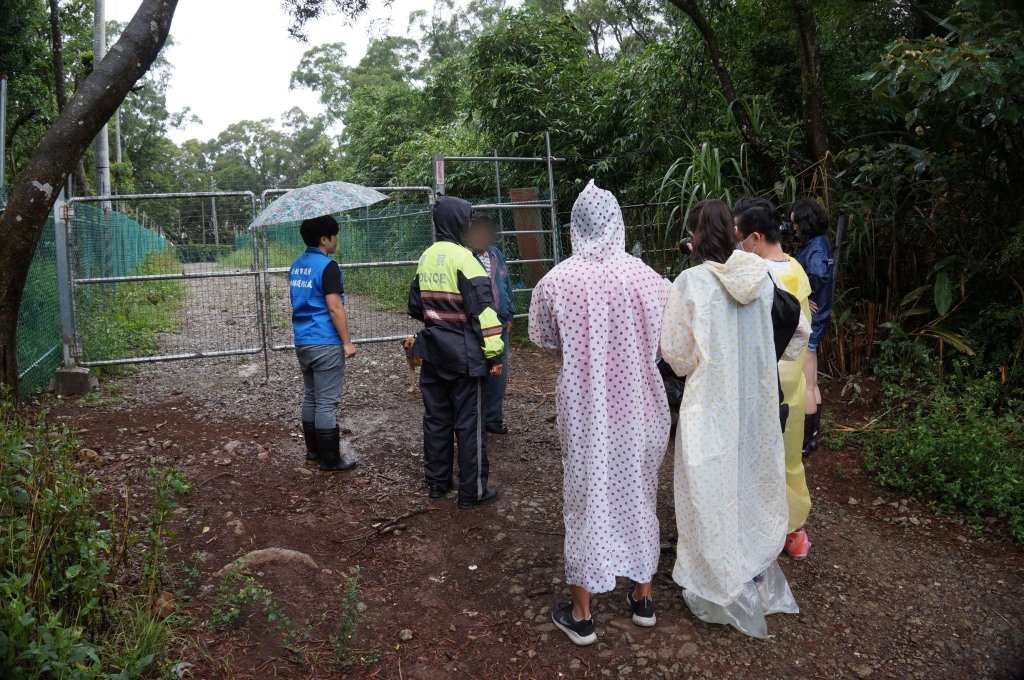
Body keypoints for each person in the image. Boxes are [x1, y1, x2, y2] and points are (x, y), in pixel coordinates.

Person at [529, 181, 671, 647]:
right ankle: (643, 599)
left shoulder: (556, 281)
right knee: (638, 492)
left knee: (587, 498)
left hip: (587, 409)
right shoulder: (650, 279)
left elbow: (546, 341)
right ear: (617, 222)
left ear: (576, 226)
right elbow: (667, 343)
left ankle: (582, 613)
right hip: (642, 409)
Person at [661, 199, 807, 639]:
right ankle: (751, 573)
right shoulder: (760, 276)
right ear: (736, 234)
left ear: (696, 235)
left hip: (711, 405)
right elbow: (797, 329)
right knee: (750, 485)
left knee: (708, 491)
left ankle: (715, 586)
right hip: (755, 406)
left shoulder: (691, 282)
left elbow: (678, 356)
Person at [408, 195, 505, 510]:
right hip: (464, 357)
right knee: (469, 424)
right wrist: (494, 355)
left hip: (433, 352)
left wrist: (438, 317)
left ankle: (437, 484)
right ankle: (472, 491)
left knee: (436, 420)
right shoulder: (465, 259)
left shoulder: (426, 257)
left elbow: (414, 305)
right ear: (459, 223)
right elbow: (484, 313)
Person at [735, 199, 814, 560]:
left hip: (765, 378)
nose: (735, 244)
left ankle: (759, 533)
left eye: (738, 236)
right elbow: (804, 330)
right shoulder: (796, 267)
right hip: (792, 377)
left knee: (758, 457)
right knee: (789, 456)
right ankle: (794, 531)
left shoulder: (758, 274)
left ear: (754, 237)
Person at [290, 214, 358, 472]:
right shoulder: (327, 266)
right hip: (325, 342)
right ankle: (331, 460)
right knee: (327, 402)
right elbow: (334, 308)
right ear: (323, 239)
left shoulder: (297, 265)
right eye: (334, 235)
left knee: (311, 397)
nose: (336, 240)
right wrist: (347, 342)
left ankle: (313, 453)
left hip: (303, 341)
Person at [467, 214, 517, 435]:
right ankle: (474, 420)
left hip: (499, 323)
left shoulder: (497, 255)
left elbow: (506, 284)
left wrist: (509, 314)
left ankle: (493, 419)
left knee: (499, 373)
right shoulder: (464, 257)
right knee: (477, 371)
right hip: (476, 325)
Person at [792, 199, 834, 457]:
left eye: (795, 222)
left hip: (811, 322)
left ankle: (806, 441)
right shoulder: (820, 243)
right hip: (818, 322)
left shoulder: (816, 249)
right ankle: (814, 436)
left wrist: (805, 295)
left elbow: (817, 274)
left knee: (807, 384)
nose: (793, 227)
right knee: (813, 382)